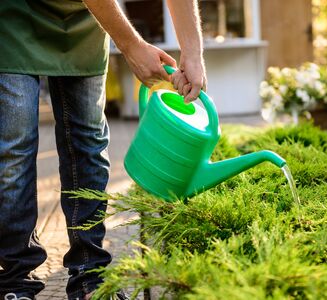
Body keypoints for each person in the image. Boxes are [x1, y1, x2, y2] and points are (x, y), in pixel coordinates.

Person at [0, 0, 206, 299]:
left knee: (88, 145)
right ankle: (15, 281)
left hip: (88, 19)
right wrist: (133, 46)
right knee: (14, 148)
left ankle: (90, 275)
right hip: (13, 16)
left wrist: (193, 52)